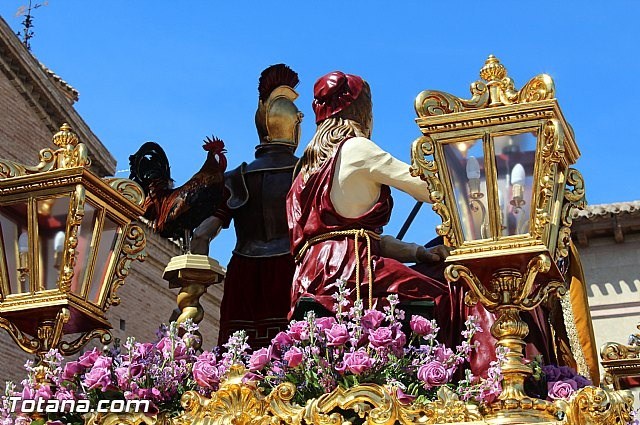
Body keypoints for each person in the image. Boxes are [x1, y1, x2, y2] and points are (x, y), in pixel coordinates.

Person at [286, 71, 451, 323]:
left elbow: (359, 239)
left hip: (311, 274)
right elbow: (428, 188)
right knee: (443, 296)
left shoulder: (305, 168)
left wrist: (418, 253)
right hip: (352, 272)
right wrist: (463, 170)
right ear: (362, 110)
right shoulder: (357, 147)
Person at [191, 64, 302, 348]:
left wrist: (191, 295)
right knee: (298, 360)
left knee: (237, 363)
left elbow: (202, 234)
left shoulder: (237, 177)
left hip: (245, 275)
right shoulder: (307, 174)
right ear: (294, 127)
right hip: (291, 271)